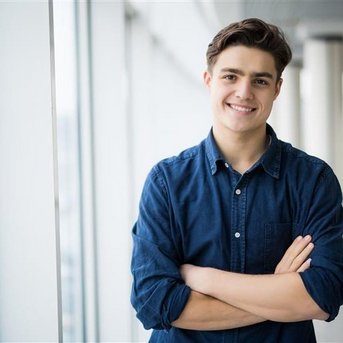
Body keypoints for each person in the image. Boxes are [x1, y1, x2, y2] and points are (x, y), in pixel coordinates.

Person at [130, 17, 343, 342]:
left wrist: (204, 278)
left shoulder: (312, 179)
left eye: (260, 80)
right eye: (231, 76)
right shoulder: (166, 183)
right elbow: (155, 304)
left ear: (277, 88)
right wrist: (278, 290)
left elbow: (323, 294)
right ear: (208, 80)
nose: (244, 92)